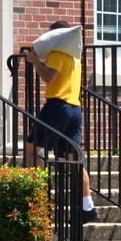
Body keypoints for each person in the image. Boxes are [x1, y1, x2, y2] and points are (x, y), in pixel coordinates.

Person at [24, 20, 97, 223]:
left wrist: (34, 60)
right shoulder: (76, 59)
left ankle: (37, 199)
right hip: (75, 109)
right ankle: (87, 207)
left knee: (31, 149)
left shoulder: (57, 54)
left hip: (58, 106)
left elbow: (50, 78)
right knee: (74, 160)